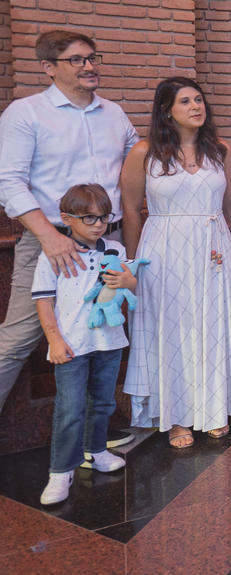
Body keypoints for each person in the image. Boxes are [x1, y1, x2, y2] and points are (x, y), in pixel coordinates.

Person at [0, 30, 138, 449]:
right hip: (51, 245)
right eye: (76, 60)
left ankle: (100, 434)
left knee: (105, 334)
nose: (89, 66)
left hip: (106, 245)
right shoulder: (27, 113)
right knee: (18, 340)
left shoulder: (114, 113)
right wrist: (49, 237)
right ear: (48, 67)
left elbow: (142, 164)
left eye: (93, 57)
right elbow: (9, 182)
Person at [120, 77, 231, 449]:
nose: (196, 107)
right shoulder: (144, 152)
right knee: (172, 328)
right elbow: (130, 209)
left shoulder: (221, 150)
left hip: (214, 246)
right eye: (185, 102)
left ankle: (214, 408)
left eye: (199, 100)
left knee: (213, 323)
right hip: (162, 249)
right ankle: (176, 416)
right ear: (166, 110)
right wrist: (133, 264)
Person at [34, 184, 136, 505]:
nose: (97, 224)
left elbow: (132, 278)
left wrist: (127, 280)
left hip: (108, 341)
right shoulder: (54, 253)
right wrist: (54, 339)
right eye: (88, 218)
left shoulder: (114, 249)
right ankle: (61, 470)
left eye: (104, 217)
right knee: (70, 409)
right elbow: (44, 300)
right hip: (71, 344)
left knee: (103, 402)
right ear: (66, 218)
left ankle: (96, 450)